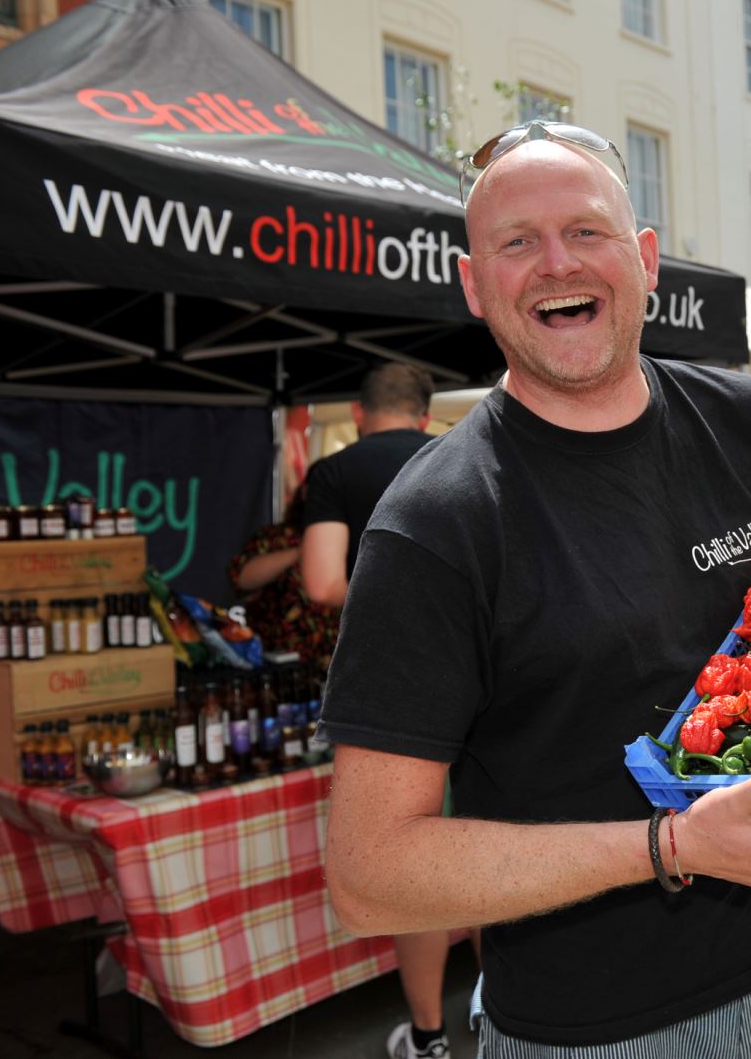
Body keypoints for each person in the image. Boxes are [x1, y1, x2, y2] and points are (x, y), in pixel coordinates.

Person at [319, 121, 751, 1056]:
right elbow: (370, 874)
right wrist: (669, 846)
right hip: (592, 1029)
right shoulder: (436, 523)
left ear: (646, 260)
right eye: (516, 241)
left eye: (587, 230)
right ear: (475, 284)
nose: (555, 262)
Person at [299, 362, 447, 1059]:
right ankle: (501, 1007)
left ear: (358, 414)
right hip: (493, 679)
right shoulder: (460, 454)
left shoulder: (333, 472)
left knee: (416, 866)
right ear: (423, 413)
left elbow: (323, 582)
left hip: (390, 695)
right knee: (499, 840)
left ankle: (428, 1036)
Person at [301, 362, 436, 608]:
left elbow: (323, 587)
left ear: (357, 412)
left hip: (376, 639)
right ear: (425, 419)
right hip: (461, 637)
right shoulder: (463, 459)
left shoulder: (333, 470)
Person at [226, 484, 342, 671]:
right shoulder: (277, 537)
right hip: (286, 669)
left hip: (341, 668)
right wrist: (301, 550)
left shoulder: (360, 538)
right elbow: (240, 577)